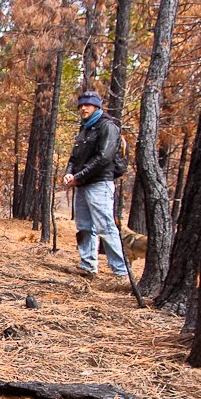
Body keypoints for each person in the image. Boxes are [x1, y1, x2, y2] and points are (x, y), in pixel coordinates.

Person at [61, 90, 128, 280]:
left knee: (105, 226)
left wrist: (78, 177)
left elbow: (104, 158)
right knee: (84, 226)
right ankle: (88, 266)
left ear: (97, 106)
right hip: (82, 184)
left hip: (100, 184)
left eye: (87, 105)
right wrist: (69, 173)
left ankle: (120, 272)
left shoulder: (107, 127)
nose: (83, 108)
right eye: (81, 105)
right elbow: (74, 157)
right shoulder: (85, 129)